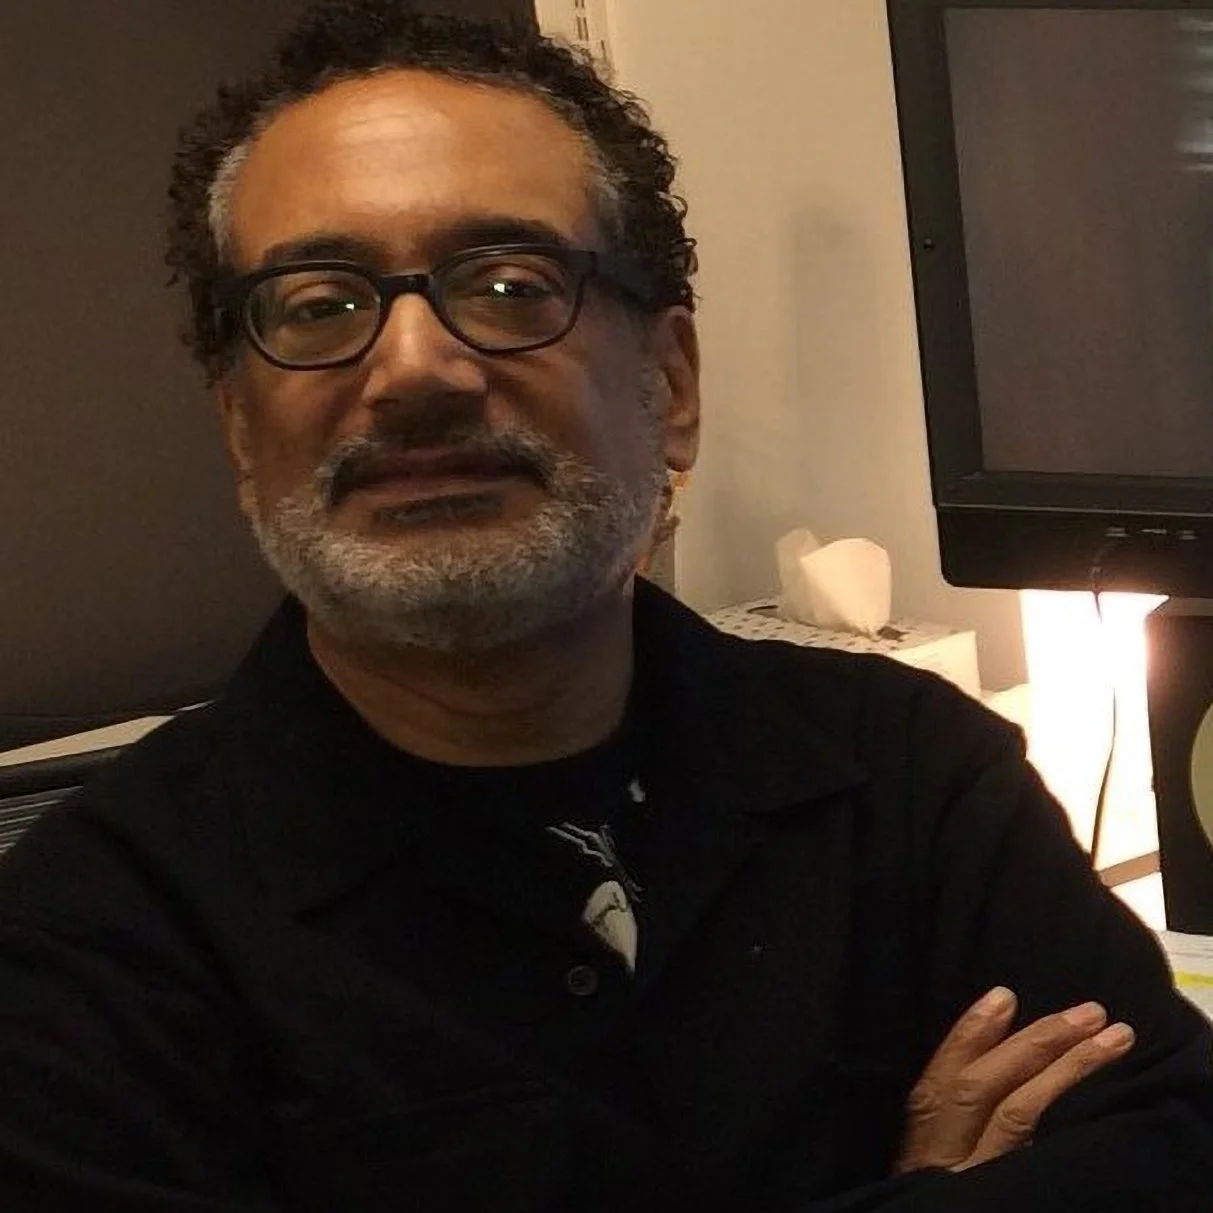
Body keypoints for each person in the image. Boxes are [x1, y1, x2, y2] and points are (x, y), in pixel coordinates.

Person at [1, 2, 1211, 1209]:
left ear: (669, 384)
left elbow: (1168, 1147)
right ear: (240, 428)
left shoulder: (915, 775)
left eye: (509, 284)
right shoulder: (90, 940)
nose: (413, 369)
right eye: (318, 305)